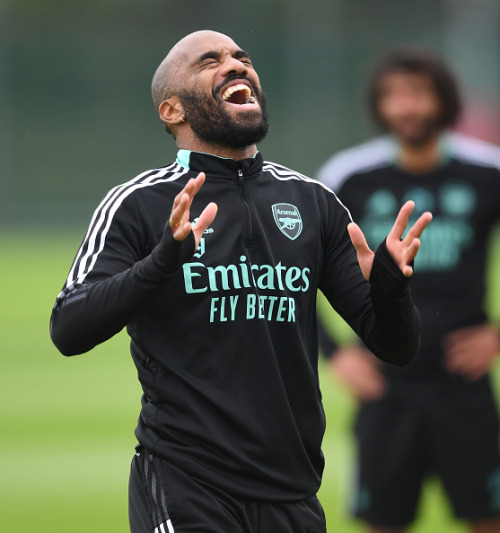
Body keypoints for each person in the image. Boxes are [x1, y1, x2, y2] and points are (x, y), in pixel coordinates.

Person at [49, 31, 431, 533]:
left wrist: (391, 289)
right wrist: (162, 260)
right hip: (187, 481)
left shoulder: (313, 203)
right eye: (210, 61)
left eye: (241, 57)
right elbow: (68, 327)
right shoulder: (138, 203)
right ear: (172, 111)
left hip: (291, 489)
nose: (235, 64)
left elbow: (395, 346)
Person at [317, 49, 500, 533]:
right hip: (385, 385)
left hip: (465, 384)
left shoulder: (488, 172)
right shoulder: (347, 178)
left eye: (419, 94)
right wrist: (334, 353)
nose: (407, 107)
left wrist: (498, 335)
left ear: (444, 100)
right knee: (383, 522)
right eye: (394, 96)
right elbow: (294, 275)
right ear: (379, 106)